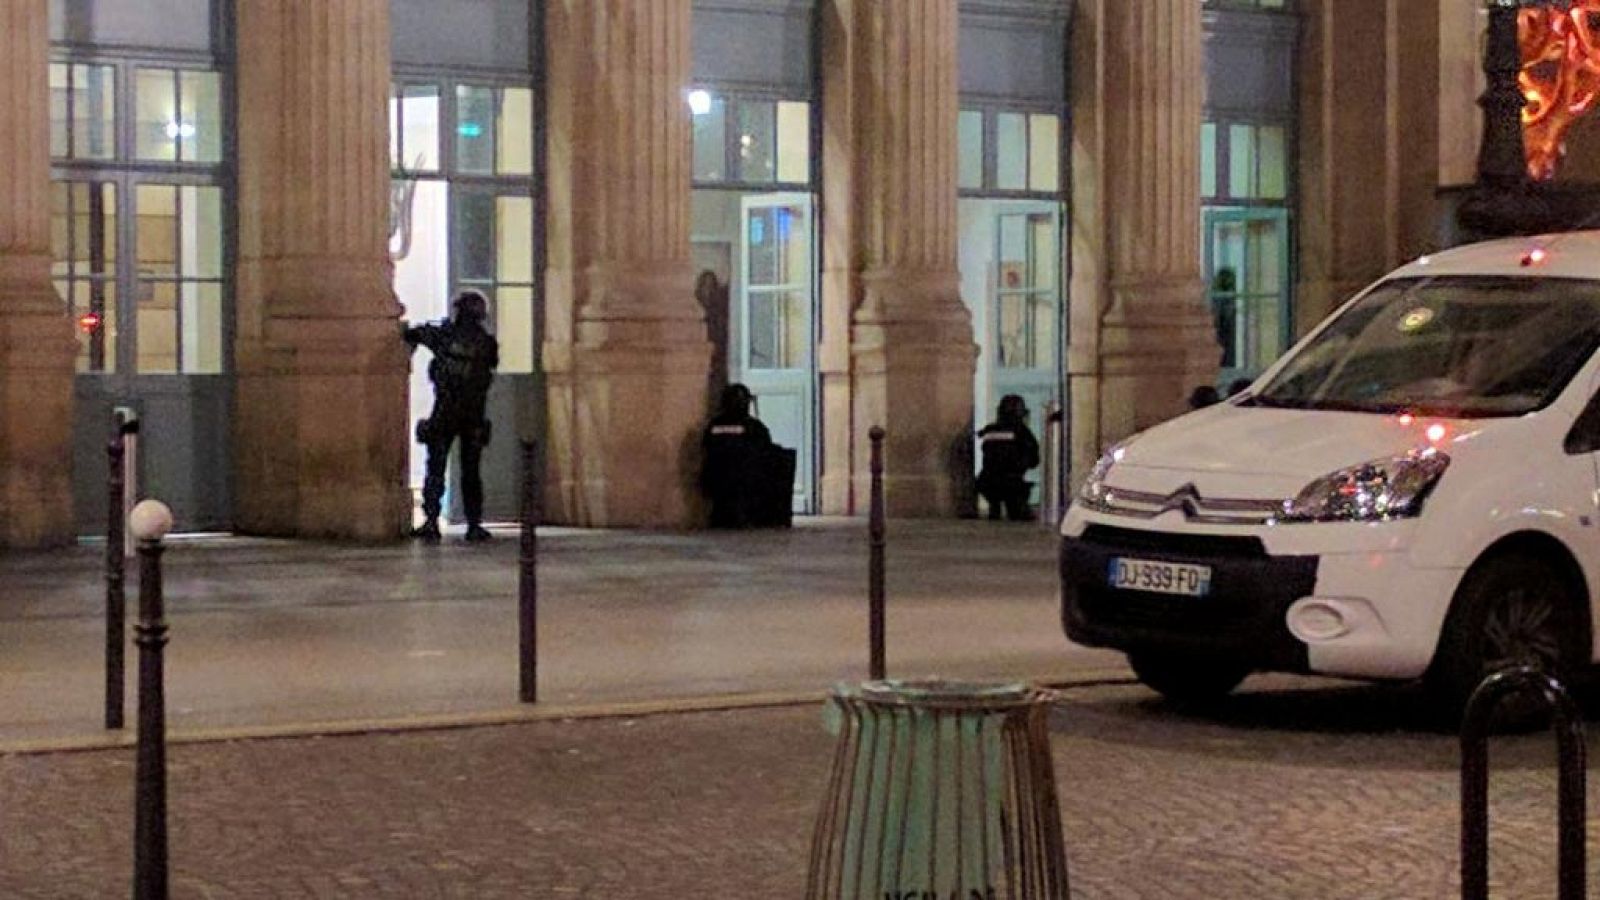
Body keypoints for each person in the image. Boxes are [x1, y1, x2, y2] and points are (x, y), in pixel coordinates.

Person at [405, 290, 500, 543]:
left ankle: (432, 521)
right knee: (470, 472)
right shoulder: (486, 343)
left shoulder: (444, 336)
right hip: (472, 414)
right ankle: (473, 524)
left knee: (435, 467)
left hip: (446, 411)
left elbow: (413, 334)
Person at [701, 383, 788, 528]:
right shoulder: (753, 427)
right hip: (745, 481)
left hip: (717, 480)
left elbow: (707, 447)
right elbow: (766, 451)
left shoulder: (714, 425)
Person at [976, 394, 1041, 522]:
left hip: (987, 482)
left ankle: (994, 509)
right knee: (1019, 513)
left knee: (997, 498)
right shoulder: (1022, 432)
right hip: (1012, 484)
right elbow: (1034, 460)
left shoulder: (990, 430)